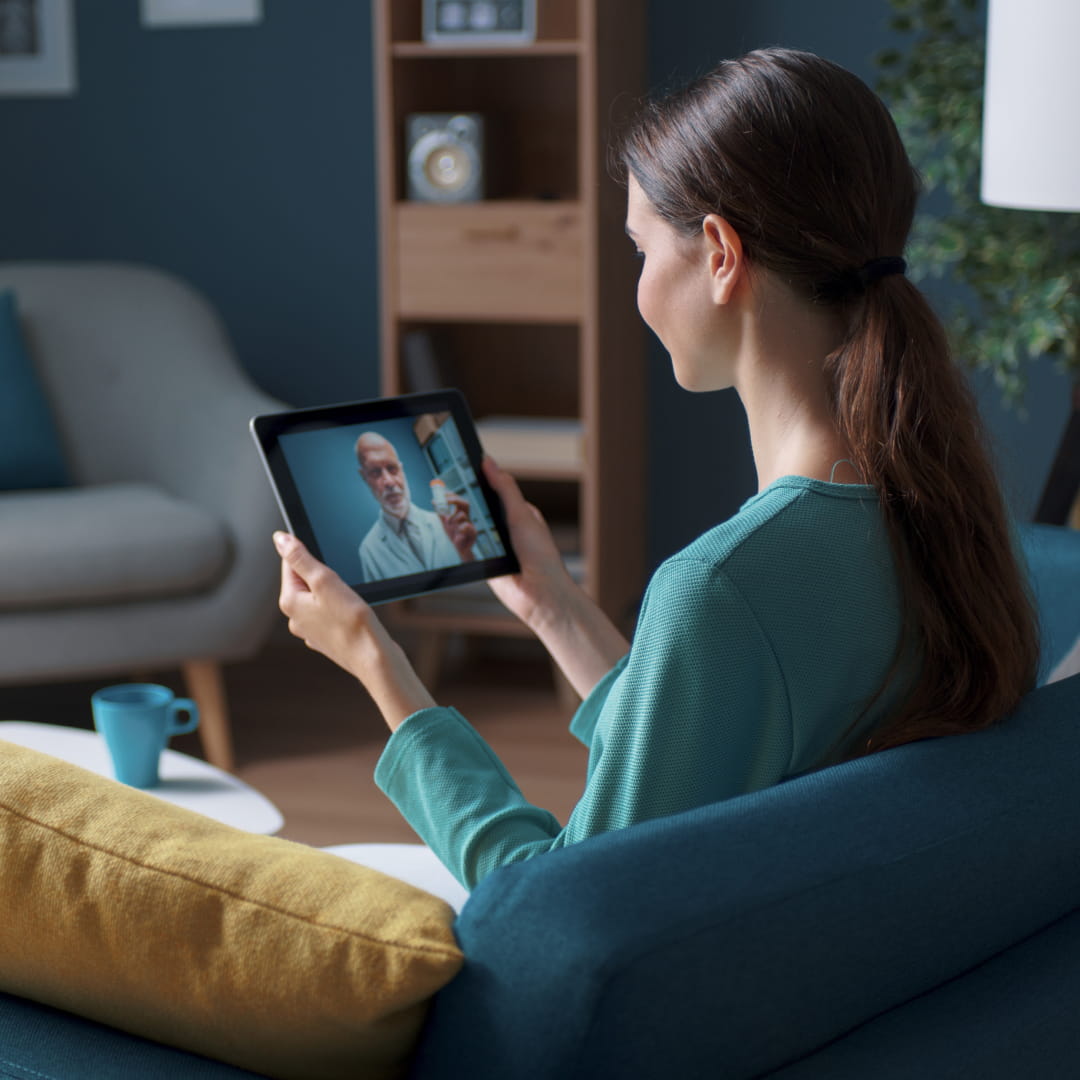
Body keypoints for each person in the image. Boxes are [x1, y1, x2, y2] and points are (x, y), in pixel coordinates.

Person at [276, 48, 1039, 892]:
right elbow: (700, 753)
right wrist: (555, 606)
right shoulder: (945, 517)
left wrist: (378, 667)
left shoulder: (722, 587)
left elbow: (561, 901)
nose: (638, 287)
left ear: (718, 254)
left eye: (641, 249)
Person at [354, 431, 477, 581]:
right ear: (364, 477)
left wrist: (467, 554)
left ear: (402, 469)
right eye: (375, 472)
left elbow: (486, 583)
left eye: (392, 468)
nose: (389, 482)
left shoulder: (448, 524)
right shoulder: (369, 550)